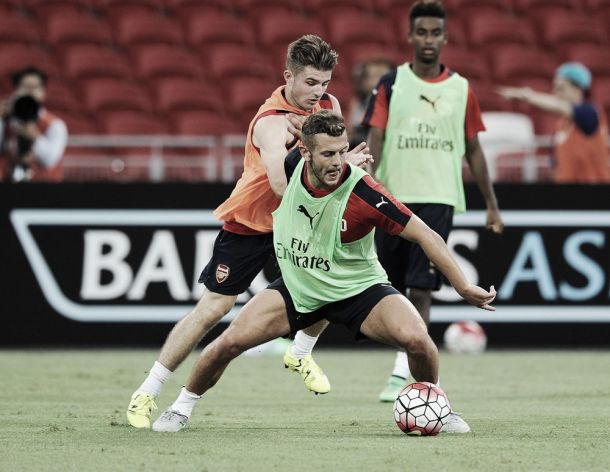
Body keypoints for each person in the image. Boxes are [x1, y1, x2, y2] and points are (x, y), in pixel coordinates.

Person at [151, 110, 496, 433]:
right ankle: (181, 407)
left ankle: (436, 407)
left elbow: (426, 234)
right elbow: (270, 130)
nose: (337, 163)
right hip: (299, 288)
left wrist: (463, 286)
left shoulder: (364, 193)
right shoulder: (284, 170)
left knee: (419, 341)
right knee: (228, 343)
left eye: (342, 152)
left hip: (359, 290)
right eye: (328, 154)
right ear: (303, 151)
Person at [126, 35, 372, 428]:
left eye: (325, 82)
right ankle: (147, 392)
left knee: (333, 273)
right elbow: (279, 185)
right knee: (213, 309)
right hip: (252, 222)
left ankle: (301, 350)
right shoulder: (270, 123)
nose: (319, 92)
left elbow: (333, 160)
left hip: (298, 219)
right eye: (310, 82)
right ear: (288, 75)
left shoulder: (329, 106)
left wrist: (348, 164)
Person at [361, 0, 504, 406]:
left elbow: (473, 149)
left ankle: (404, 374)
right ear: (410, 36)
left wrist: (491, 204)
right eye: (421, 32)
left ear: (445, 37)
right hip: (393, 199)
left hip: (439, 198)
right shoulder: (391, 83)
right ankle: (402, 362)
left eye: (434, 32)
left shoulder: (461, 89)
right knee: (390, 287)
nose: (428, 39)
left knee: (422, 287)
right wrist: (370, 185)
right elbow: (375, 136)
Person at [497, 62, 610, 183]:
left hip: (594, 193)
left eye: (561, 88)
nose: (556, 93)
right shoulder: (561, 125)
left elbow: (560, 106)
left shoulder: (590, 113)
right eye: (555, 87)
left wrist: (525, 96)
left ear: (578, 89)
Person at [0, 66, 67, 182]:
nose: (30, 91)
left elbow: (50, 159)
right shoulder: (6, 119)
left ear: (43, 92)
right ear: (15, 90)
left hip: (43, 188)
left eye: (35, 87)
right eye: (25, 87)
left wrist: (34, 135)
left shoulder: (55, 124)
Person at [348, 57, 394, 147]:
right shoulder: (358, 103)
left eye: (384, 76)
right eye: (374, 76)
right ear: (364, 81)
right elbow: (353, 130)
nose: (380, 80)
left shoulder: (396, 103)